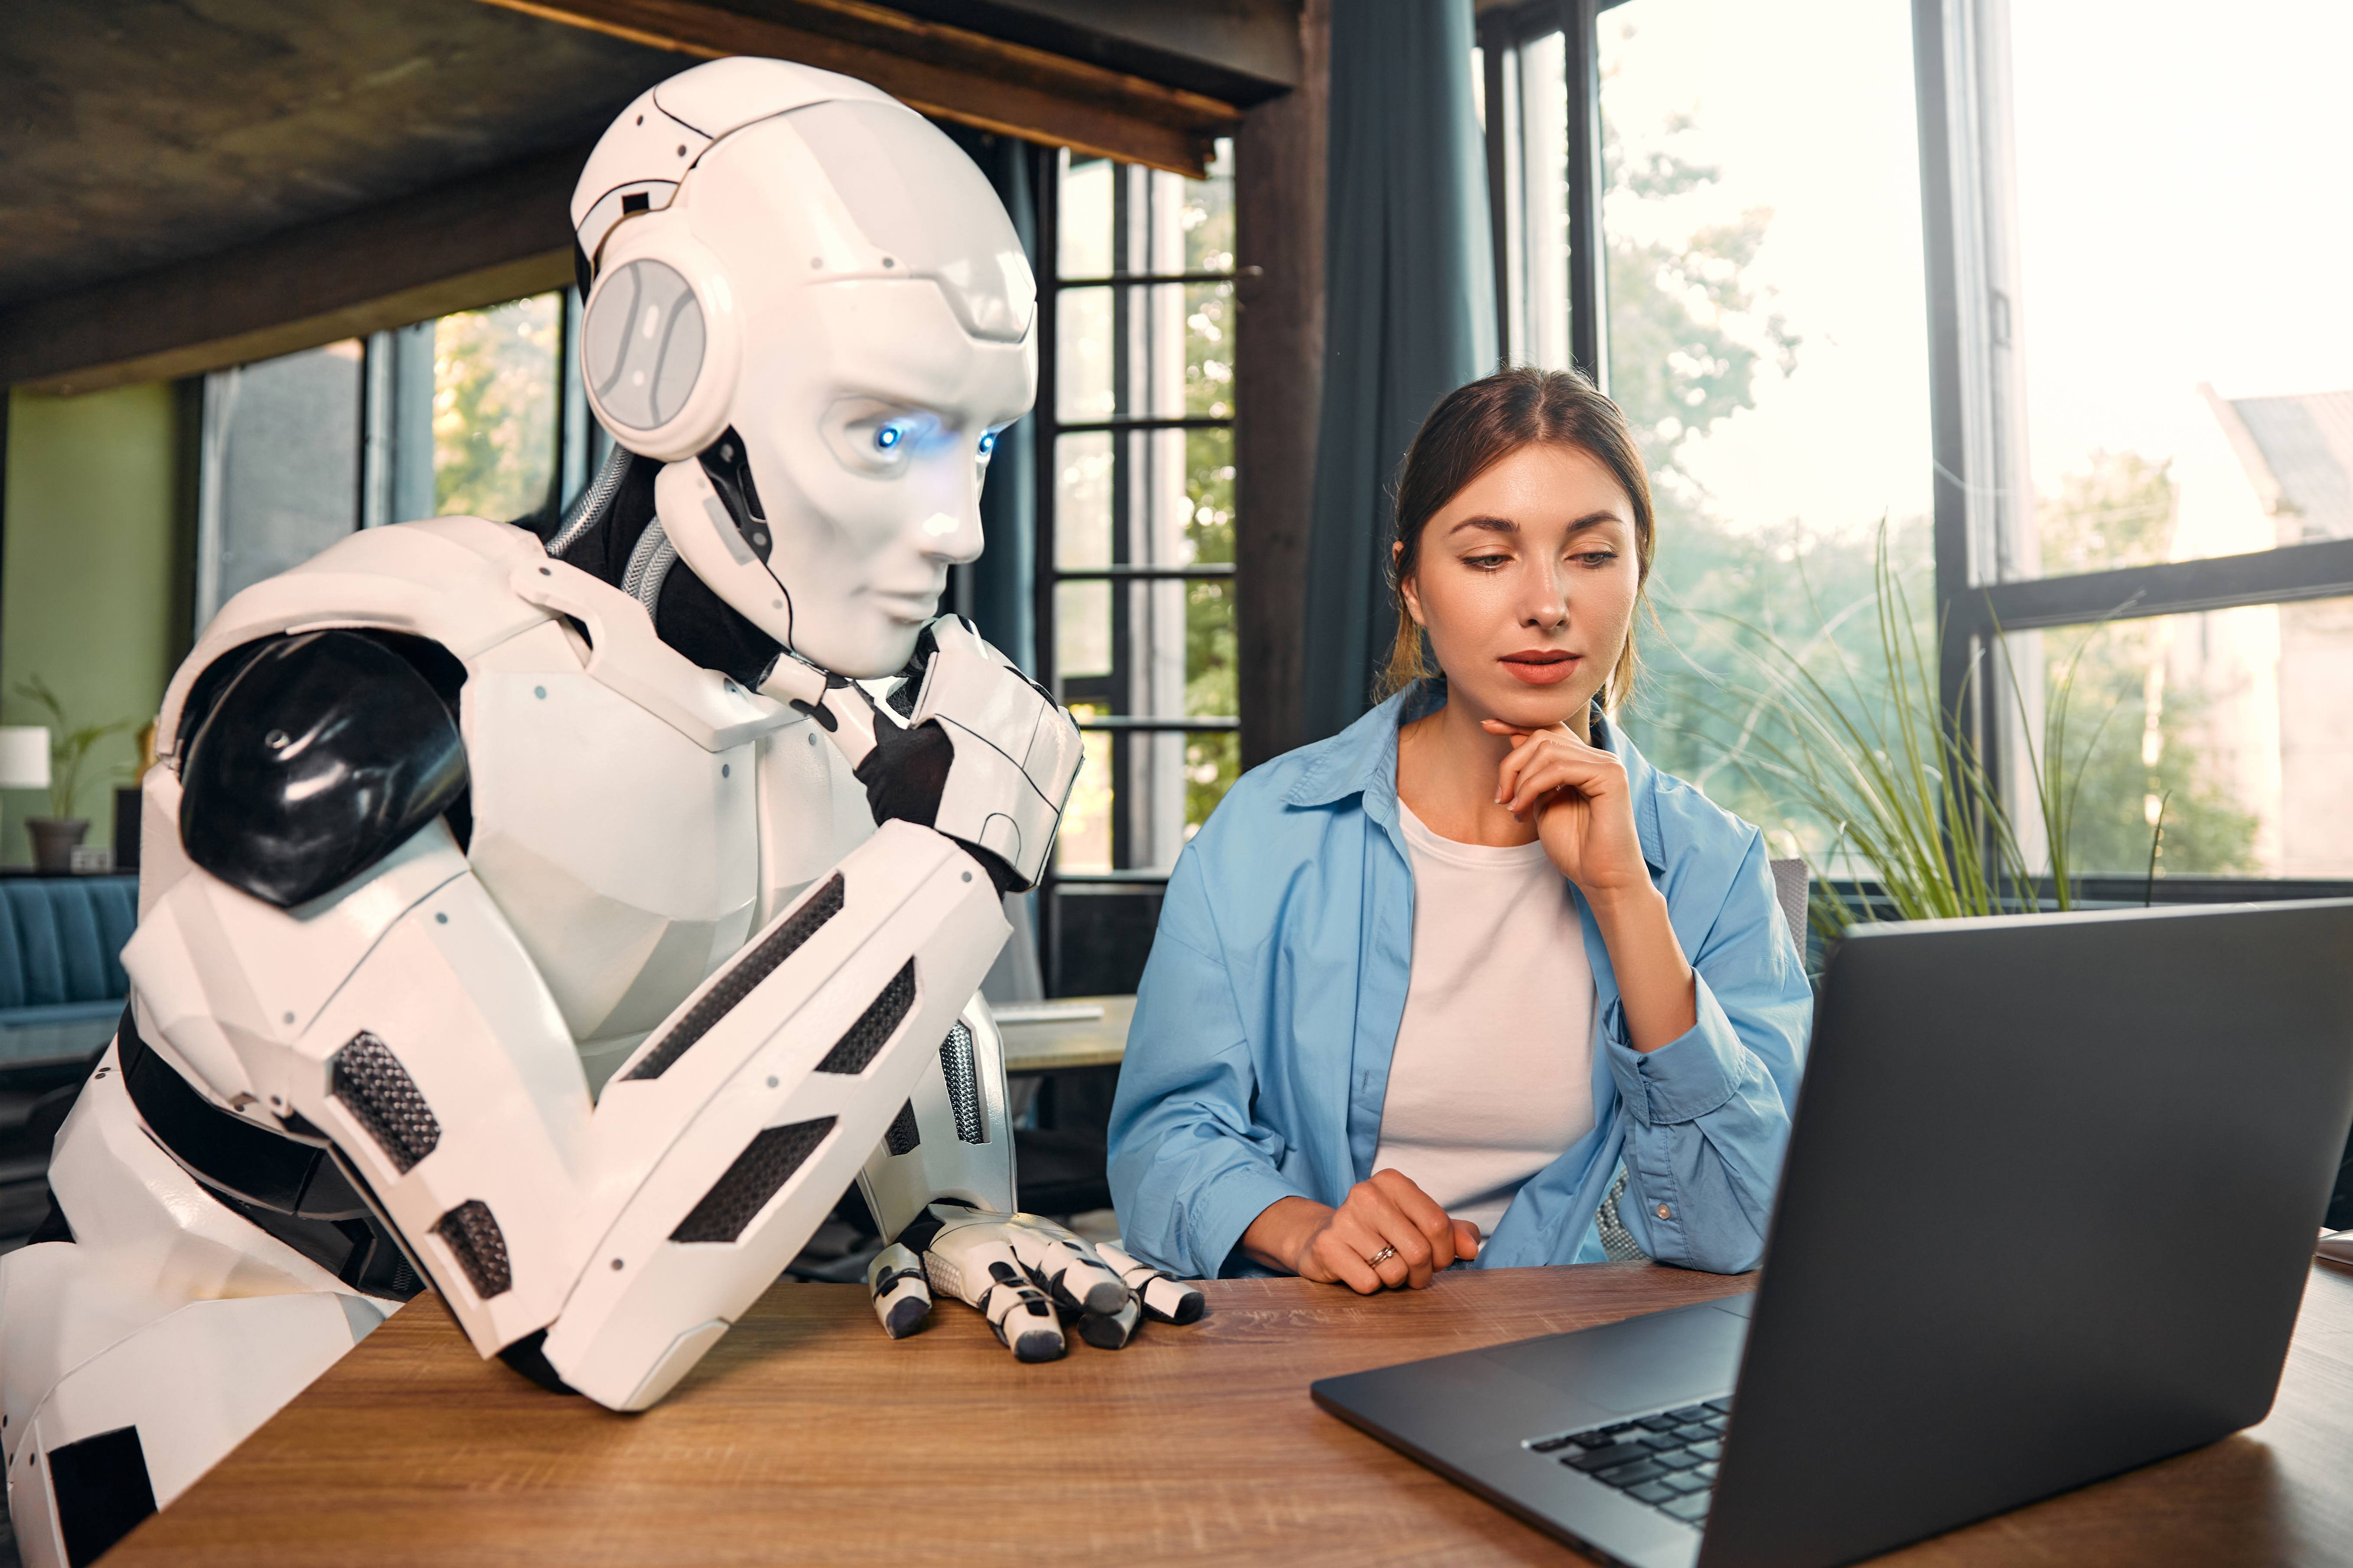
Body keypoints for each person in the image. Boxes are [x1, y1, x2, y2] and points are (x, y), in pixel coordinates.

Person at [1107, 367, 1810, 1291]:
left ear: (1636, 573)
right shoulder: (1268, 830)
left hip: (1588, 1366)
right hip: (1305, 1358)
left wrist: (1621, 894)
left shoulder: (1710, 864)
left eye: (1592, 556)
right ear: (1410, 582)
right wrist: (1303, 1229)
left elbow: (1741, 1220)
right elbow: (1160, 1144)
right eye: (1487, 558)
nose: (1546, 604)